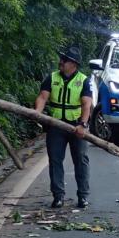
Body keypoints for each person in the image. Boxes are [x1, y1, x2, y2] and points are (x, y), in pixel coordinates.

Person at [34, 45, 93, 208]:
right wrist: (37, 112)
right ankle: (58, 196)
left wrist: (83, 124)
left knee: (81, 160)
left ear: (73, 64)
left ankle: (83, 196)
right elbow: (42, 97)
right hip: (56, 125)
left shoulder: (83, 80)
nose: (61, 62)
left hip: (76, 127)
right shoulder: (52, 78)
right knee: (55, 160)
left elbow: (86, 104)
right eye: (62, 59)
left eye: (65, 60)